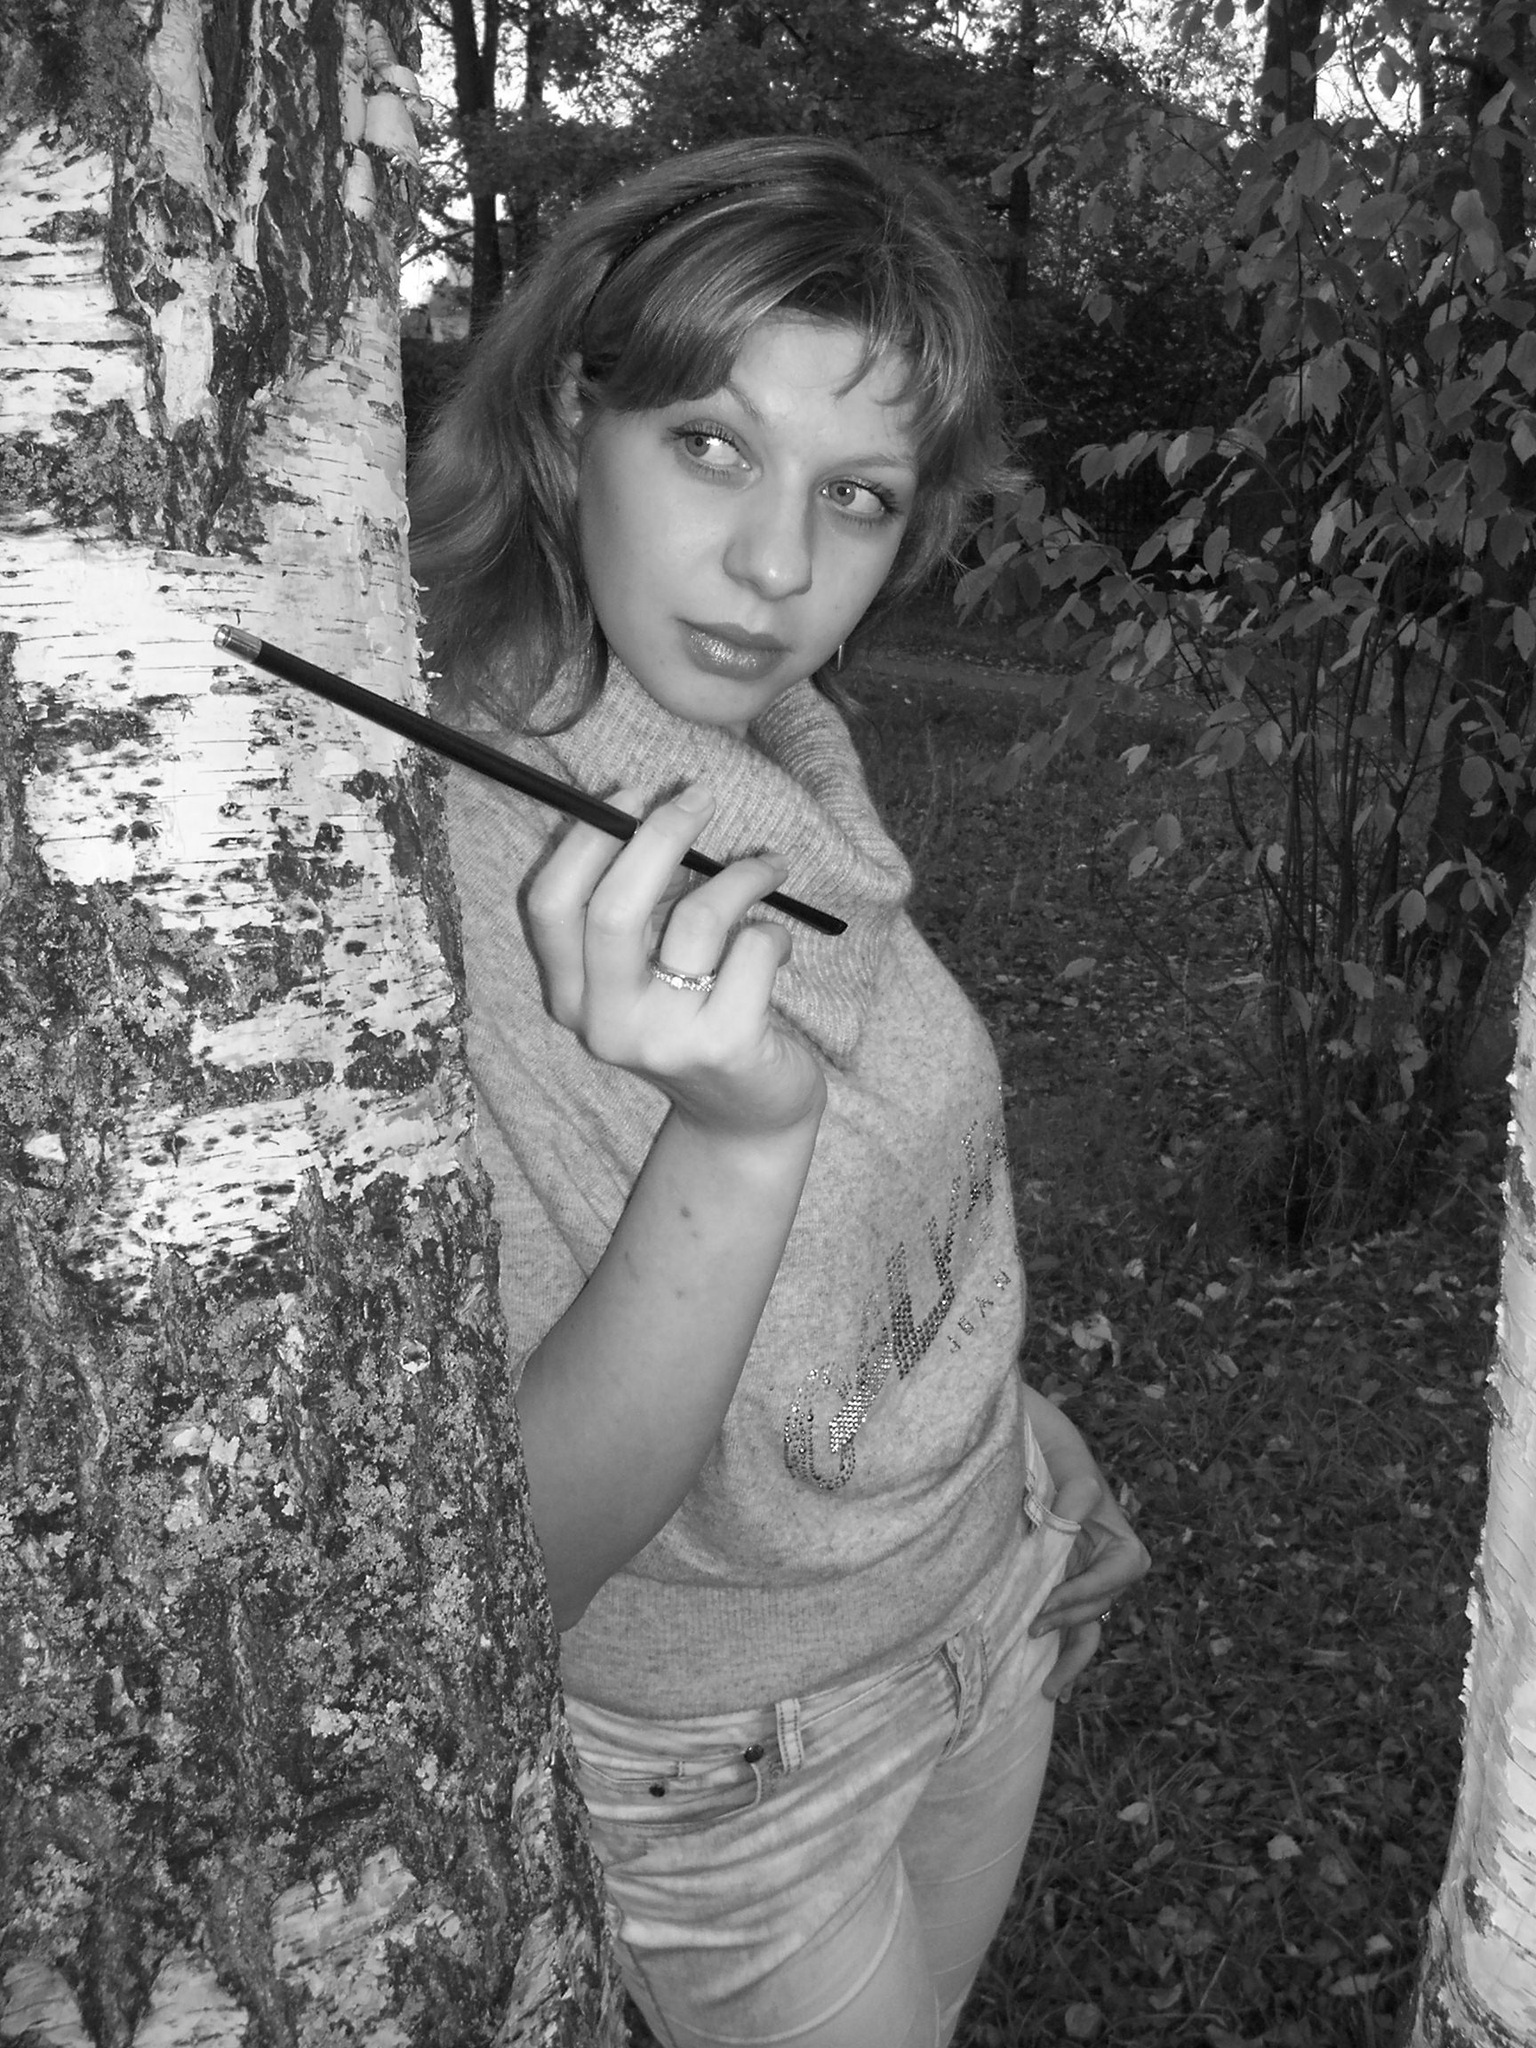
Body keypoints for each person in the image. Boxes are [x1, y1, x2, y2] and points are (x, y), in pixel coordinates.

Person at [410, 135, 1150, 2048]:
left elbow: (891, 1165)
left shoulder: (770, 755)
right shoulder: (433, 882)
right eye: (712, 446)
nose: (777, 568)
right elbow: (512, 1560)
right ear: (568, 422)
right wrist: (739, 1140)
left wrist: (994, 1426)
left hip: (988, 1611)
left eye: (858, 495)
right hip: (742, 1771)